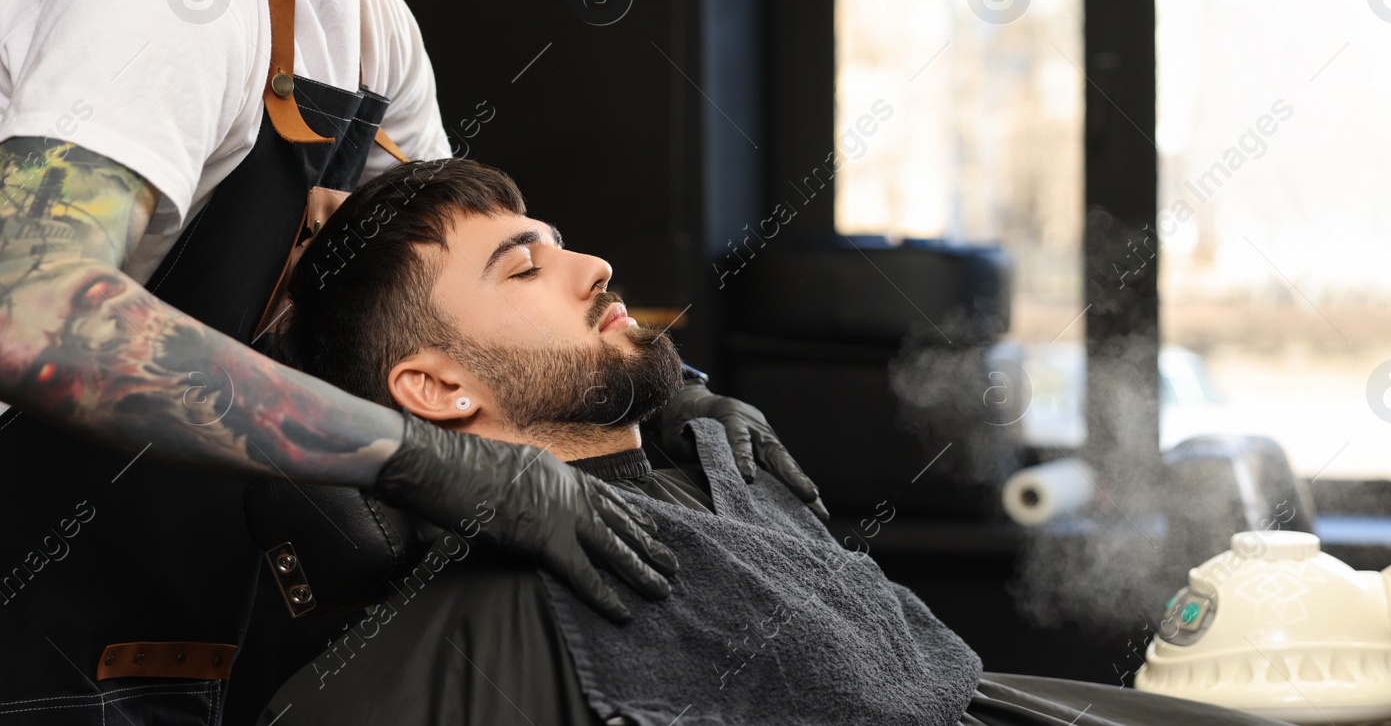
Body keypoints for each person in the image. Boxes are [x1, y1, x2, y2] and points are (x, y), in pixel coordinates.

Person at [0, 0, 818, 723]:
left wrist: (665, 386)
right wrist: (422, 461)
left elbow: (455, 293)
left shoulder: (375, 27)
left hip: (152, 602)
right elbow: (28, 312)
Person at [255, 157, 1288, 726]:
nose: (596, 267)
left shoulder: (727, 476)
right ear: (433, 385)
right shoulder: (494, 630)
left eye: (564, 245)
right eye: (524, 269)